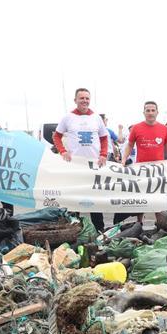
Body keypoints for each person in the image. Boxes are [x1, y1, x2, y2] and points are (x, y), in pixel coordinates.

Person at [118, 101, 167, 224]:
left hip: (158, 169)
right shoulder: (136, 128)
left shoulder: (163, 128)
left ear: (157, 112)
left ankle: (160, 223)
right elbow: (129, 145)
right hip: (141, 169)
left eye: (152, 110)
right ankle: (139, 223)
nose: (150, 113)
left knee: (158, 197)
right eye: (148, 110)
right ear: (144, 112)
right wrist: (124, 159)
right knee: (141, 196)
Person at [54, 88, 110, 231]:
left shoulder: (96, 117)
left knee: (95, 201)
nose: (85, 101)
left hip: (93, 166)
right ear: (75, 100)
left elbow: (104, 138)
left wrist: (103, 154)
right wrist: (63, 151)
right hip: (75, 167)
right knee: (75, 200)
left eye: (87, 98)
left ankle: (99, 230)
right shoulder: (68, 117)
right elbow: (56, 136)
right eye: (81, 98)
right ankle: (74, 230)